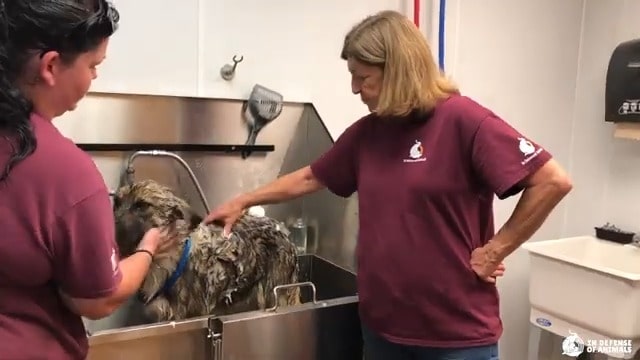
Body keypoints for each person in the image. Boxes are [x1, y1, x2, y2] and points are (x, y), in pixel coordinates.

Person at [204, 9, 572, 360]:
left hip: (455, 337)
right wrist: (242, 200)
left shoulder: (463, 120)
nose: (354, 88)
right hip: (383, 332)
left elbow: (551, 181)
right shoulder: (368, 134)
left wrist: (496, 250)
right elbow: (311, 176)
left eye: (363, 77)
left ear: (397, 71)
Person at [0, 1, 176, 359]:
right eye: (93, 65)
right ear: (50, 65)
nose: (95, 77)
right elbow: (98, 300)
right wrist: (148, 248)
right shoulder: (66, 173)